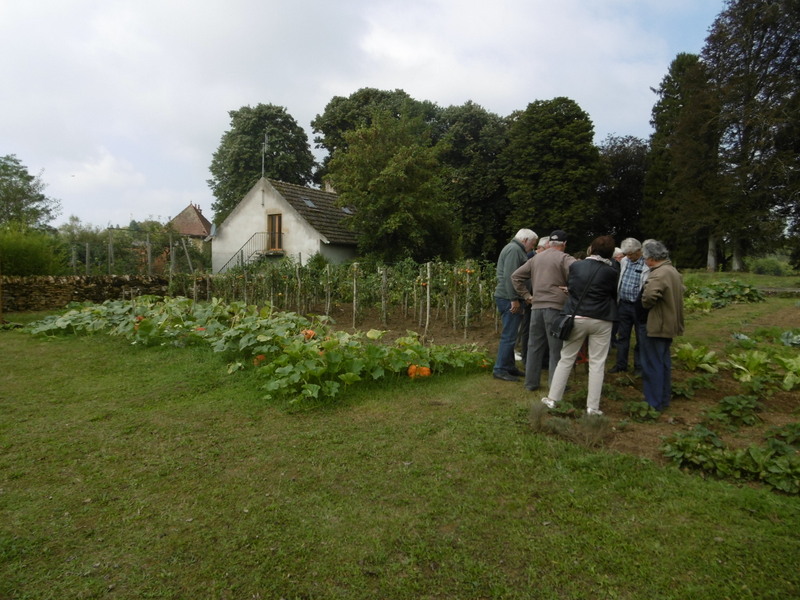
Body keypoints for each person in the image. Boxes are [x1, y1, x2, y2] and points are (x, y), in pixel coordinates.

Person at [540, 236, 619, 415]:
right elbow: (613, 294)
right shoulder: (612, 272)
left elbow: (573, 288)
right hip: (602, 317)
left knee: (566, 358)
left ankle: (553, 399)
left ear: (591, 248)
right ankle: (592, 407)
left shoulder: (576, 266)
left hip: (577, 315)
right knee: (598, 363)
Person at [511, 229, 576, 391]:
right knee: (556, 349)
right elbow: (581, 276)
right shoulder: (566, 259)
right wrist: (569, 289)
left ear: (549, 244)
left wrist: (527, 296)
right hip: (555, 308)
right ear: (564, 244)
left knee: (534, 346)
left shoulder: (536, 258)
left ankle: (531, 383)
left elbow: (515, 277)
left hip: (537, 307)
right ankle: (556, 385)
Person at [639, 240, 684, 411]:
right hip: (668, 324)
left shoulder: (659, 273)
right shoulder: (672, 271)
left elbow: (649, 296)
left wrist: (644, 305)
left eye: (645, 257)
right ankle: (663, 399)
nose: (644, 261)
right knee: (663, 363)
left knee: (652, 364)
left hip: (658, 324)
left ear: (651, 258)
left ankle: (653, 403)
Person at [493, 228, 538, 381]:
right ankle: (500, 369)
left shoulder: (515, 249)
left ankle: (509, 366)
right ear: (525, 240)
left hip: (510, 297)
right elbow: (510, 276)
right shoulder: (514, 250)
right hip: (508, 298)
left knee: (512, 334)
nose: (532, 247)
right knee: (509, 335)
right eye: (532, 244)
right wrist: (514, 299)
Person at [610, 238, 648, 374]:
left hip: (639, 306)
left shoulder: (647, 263)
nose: (629, 257)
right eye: (627, 254)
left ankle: (639, 367)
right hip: (624, 305)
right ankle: (621, 365)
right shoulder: (625, 261)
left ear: (639, 251)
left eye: (631, 254)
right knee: (622, 336)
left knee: (641, 337)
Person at [515, 236, 548, 363]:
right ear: (541, 248)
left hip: (537, 297)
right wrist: (527, 295)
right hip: (530, 297)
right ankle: (526, 356)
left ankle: (536, 357)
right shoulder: (530, 257)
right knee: (527, 328)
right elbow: (520, 277)